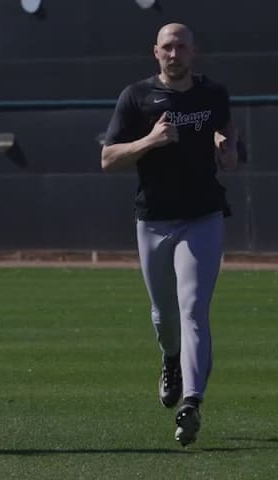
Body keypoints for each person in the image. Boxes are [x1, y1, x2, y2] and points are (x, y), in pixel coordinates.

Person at [100, 23, 238, 447]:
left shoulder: (213, 94)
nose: (174, 54)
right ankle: (171, 359)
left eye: (181, 46)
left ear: (193, 51)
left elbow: (230, 146)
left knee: (193, 307)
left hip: (202, 216)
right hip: (154, 219)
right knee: (164, 315)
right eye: (167, 47)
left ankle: (192, 402)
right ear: (155, 52)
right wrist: (150, 140)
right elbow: (108, 158)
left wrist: (227, 150)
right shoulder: (136, 96)